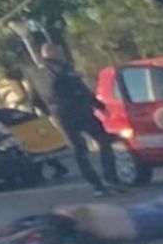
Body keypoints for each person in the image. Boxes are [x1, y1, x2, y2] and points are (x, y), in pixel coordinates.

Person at [34, 44, 124, 196]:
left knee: (79, 151)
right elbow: (80, 89)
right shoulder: (63, 69)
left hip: (61, 116)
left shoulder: (36, 74)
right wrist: (99, 105)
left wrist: (50, 113)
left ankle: (97, 186)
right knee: (104, 141)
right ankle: (111, 179)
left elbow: (34, 99)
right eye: (60, 52)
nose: (63, 55)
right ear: (53, 53)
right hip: (80, 111)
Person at [0, 67, 69, 181]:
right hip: (22, 116)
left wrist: (14, 103)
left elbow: (22, 96)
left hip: (24, 116)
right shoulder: (15, 84)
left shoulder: (15, 84)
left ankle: (49, 169)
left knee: (32, 145)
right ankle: (54, 168)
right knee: (32, 145)